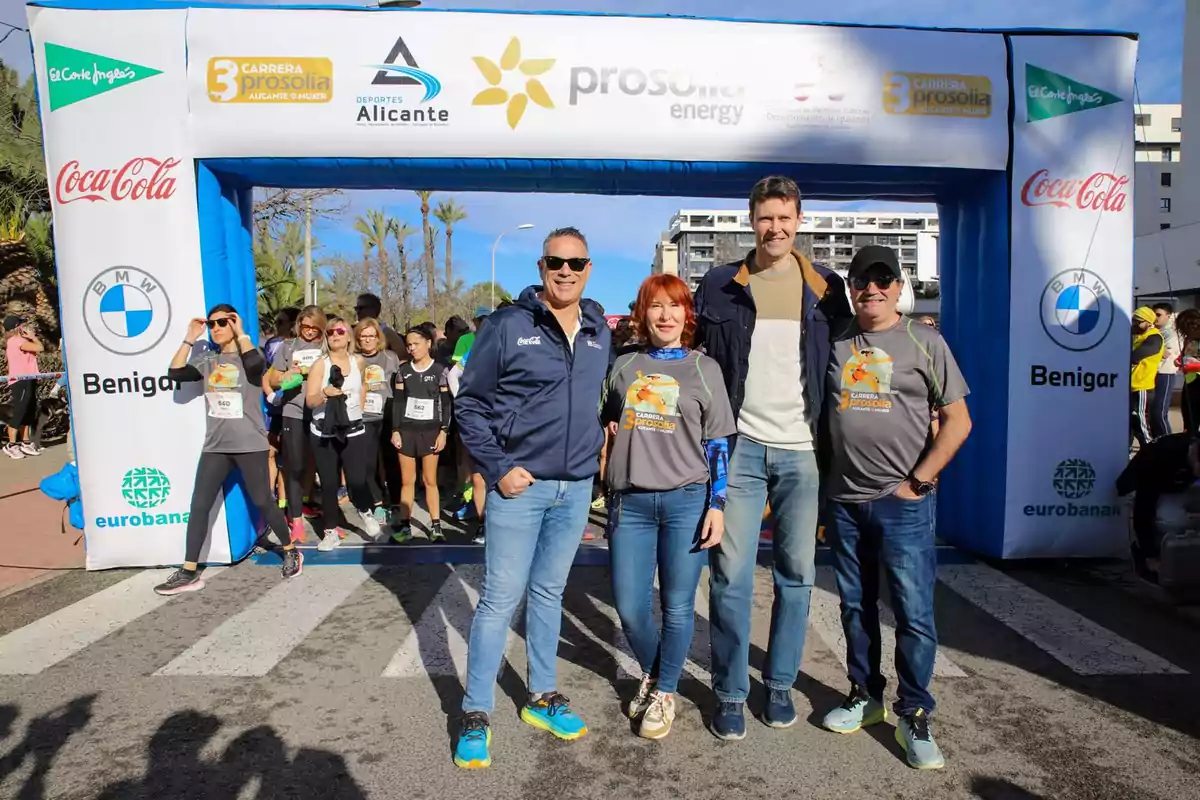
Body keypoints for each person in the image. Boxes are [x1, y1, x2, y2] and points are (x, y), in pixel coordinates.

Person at [693, 175, 852, 739]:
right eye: (766, 218)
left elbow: (850, 366)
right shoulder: (718, 285)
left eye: (785, 218)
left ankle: (779, 684)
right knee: (729, 574)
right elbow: (698, 365)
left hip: (802, 451)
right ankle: (732, 692)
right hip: (738, 450)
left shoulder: (828, 288)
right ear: (751, 220)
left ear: (799, 221)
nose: (775, 228)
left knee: (797, 575)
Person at [452, 227, 611, 769]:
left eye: (576, 263)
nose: (565, 271)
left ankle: (541, 696)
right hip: (520, 487)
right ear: (541, 266)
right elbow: (469, 406)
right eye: (555, 262)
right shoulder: (506, 325)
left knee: (549, 594)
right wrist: (498, 469)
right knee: (500, 599)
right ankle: (476, 712)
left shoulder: (597, 328)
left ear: (589, 268)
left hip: (575, 489)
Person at [818, 245, 971, 771]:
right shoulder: (835, 341)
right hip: (843, 500)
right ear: (851, 286)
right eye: (862, 279)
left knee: (913, 612)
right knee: (854, 607)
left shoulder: (923, 340)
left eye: (883, 279)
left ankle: (914, 712)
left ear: (899, 286)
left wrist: (919, 482)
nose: (872, 288)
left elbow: (958, 421)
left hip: (901, 503)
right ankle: (865, 694)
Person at [601, 274, 736, 740]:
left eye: (674, 306)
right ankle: (658, 675)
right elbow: (602, 422)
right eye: (655, 306)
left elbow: (718, 442)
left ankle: (664, 692)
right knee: (631, 606)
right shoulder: (623, 366)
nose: (665, 315)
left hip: (686, 502)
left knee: (678, 607)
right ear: (642, 313)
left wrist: (718, 503)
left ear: (687, 314)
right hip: (631, 503)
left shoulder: (705, 369)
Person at [155, 305, 303, 595]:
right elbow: (175, 373)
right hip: (216, 446)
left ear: (235, 323)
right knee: (199, 505)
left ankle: (290, 550)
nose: (216, 328)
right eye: (212, 324)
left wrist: (241, 331)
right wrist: (189, 337)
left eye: (223, 322)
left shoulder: (252, 354)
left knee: (263, 500)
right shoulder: (208, 359)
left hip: (249, 444)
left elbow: (256, 368)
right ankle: (189, 571)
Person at [305, 315, 380, 550]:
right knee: (329, 484)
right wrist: (325, 394)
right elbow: (310, 401)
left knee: (357, 479)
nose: (335, 335)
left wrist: (358, 408)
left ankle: (365, 511)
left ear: (348, 335)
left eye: (339, 331)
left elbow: (363, 386)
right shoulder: (320, 364)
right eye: (330, 332)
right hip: (324, 431)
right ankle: (330, 532)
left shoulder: (358, 362)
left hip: (353, 428)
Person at [268, 305, 327, 542]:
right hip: (293, 411)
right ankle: (296, 521)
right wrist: (288, 375)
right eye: (305, 326)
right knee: (295, 468)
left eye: (315, 327)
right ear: (299, 324)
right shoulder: (288, 346)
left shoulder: (326, 347)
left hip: (322, 412)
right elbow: (272, 378)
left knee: (325, 469)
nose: (310, 331)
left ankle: (331, 524)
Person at [389, 325, 451, 543]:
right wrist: (395, 430)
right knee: (408, 480)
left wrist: (443, 432)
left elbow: (445, 403)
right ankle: (405, 526)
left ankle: (436, 526)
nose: (412, 348)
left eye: (416, 344)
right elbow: (397, 403)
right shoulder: (403, 371)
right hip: (407, 431)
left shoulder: (440, 370)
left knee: (429, 480)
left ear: (428, 343)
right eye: (408, 345)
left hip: (431, 431)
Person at [356, 318, 402, 532]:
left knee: (391, 460)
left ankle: (394, 501)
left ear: (378, 338)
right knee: (367, 463)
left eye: (371, 336)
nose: (367, 340)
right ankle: (377, 503)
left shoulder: (390, 357)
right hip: (364, 416)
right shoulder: (354, 360)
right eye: (363, 336)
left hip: (388, 415)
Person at [263, 308, 299, 511]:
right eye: (277, 321)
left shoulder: (294, 345)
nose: (278, 325)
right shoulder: (274, 344)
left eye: (282, 321)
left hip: (293, 408)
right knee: (272, 453)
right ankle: (272, 500)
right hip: (274, 407)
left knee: (287, 457)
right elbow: (269, 375)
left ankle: (285, 502)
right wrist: (270, 394)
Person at [4, 316, 44, 459]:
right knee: (19, 412)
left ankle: (25, 442)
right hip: (20, 381)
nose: (26, 327)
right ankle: (11, 445)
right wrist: (33, 337)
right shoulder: (16, 341)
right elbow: (40, 347)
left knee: (28, 411)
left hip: (29, 379)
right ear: (17, 327)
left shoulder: (20, 341)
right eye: (23, 325)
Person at [1131, 306, 1165, 449]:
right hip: (1132, 386)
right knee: (1130, 423)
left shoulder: (1155, 338)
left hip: (1142, 387)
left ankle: (1150, 450)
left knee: (1140, 422)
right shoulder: (1140, 336)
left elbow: (1134, 356)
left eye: (1137, 321)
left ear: (1148, 322)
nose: (1134, 324)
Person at [1151, 303, 1179, 440]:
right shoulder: (1155, 331)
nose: (1155, 318)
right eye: (1153, 314)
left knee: (1159, 412)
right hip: (1151, 373)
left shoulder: (1171, 333)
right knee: (1151, 413)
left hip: (1165, 374)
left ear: (1168, 316)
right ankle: (1158, 442)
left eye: (1158, 314)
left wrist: (1148, 347)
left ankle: (1169, 443)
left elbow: (1165, 353)